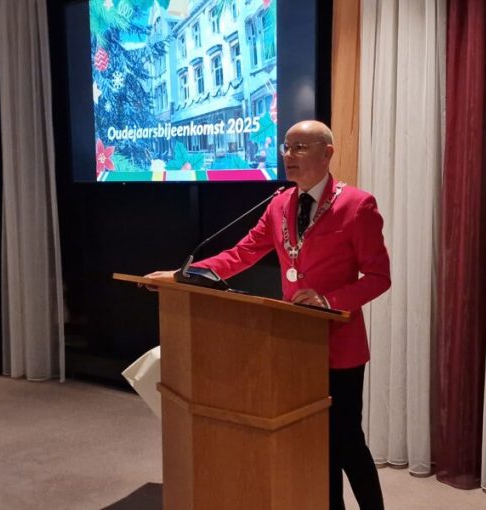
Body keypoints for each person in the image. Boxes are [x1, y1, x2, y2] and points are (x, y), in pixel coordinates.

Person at [146, 120, 389, 509]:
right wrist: (183, 275)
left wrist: (328, 300)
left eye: (299, 147)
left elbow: (379, 277)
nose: (289, 155)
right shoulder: (278, 204)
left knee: (346, 439)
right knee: (312, 441)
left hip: (339, 347)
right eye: (285, 148)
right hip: (292, 343)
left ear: (327, 153)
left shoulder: (357, 205)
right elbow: (241, 253)